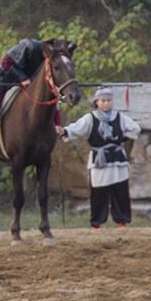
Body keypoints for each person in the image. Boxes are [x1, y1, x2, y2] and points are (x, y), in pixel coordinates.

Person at [60, 85, 140, 228]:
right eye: (102, 100)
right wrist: (64, 131)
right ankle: (97, 222)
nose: (105, 103)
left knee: (120, 191)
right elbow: (76, 128)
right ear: (96, 102)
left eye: (108, 100)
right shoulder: (90, 118)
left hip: (117, 159)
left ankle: (122, 221)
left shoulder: (119, 117)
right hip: (99, 159)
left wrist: (122, 139)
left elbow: (135, 128)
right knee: (99, 192)